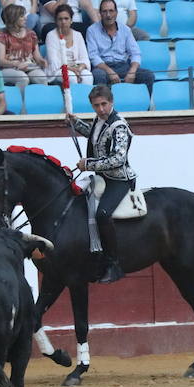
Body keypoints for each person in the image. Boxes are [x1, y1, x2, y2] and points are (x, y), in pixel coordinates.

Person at [65, 85, 134, 284]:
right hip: (102, 177)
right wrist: (75, 123)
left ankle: (113, 263)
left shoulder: (119, 125)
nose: (101, 109)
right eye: (97, 105)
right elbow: (94, 137)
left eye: (104, 104)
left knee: (102, 214)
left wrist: (88, 164)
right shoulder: (100, 120)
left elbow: (118, 159)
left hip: (119, 179)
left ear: (111, 102)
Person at [86, 0, 155, 91]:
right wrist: (109, 71)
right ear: (100, 13)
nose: (108, 15)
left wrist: (132, 70)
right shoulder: (92, 30)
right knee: (98, 75)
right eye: (105, 11)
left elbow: (135, 53)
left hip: (123, 66)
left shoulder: (125, 29)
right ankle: (104, 105)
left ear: (116, 13)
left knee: (148, 75)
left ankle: (145, 105)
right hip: (103, 67)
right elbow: (93, 56)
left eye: (111, 11)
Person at [0, 4, 49, 91]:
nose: (25, 18)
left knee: (42, 78)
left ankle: (42, 102)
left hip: (29, 66)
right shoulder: (2, 36)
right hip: (9, 68)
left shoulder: (31, 34)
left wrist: (41, 61)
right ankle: (20, 102)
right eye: (21, 16)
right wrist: (16, 64)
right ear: (13, 18)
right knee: (23, 78)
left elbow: (37, 56)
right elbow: (0, 61)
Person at [45, 5, 94, 85]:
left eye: (66, 18)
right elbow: (54, 62)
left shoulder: (78, 35)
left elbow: (84, 58)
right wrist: (72, 70)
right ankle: (71, 98)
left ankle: (85, 98)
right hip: (57, 70)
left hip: (76, 67)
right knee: (71, 77)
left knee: (88, 76)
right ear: (56, 21)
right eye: (60, 19)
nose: (63, 22)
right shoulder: (51, 35)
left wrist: (79, 68)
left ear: (71, 20)